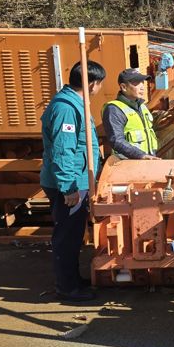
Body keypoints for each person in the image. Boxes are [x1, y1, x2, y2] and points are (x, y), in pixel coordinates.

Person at [40, 61, 105, 302]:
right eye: (99, 84)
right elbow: (63, 150)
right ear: (92, 83)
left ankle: (73, 279)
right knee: (67, 236)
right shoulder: (67, 108)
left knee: (75, 234)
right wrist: (69, 187)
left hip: (76, 180)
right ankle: (67, 287)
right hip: (69, 184)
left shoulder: (76, 103)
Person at [102, 68, 161, 160]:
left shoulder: (142, 106)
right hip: (128, 164)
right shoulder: (114, 109)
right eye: (136, 83)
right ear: (123, 87)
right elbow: (116, 140)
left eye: (142, 82)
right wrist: (141, 155)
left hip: (147, 160)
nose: (142, 86)